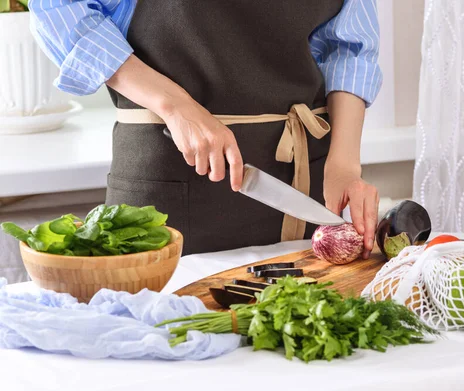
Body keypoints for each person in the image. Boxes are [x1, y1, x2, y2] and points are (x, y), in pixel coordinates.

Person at [28, 0, 383, 258]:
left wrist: (345, 164)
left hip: (305, 193)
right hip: (167, 181)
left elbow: (350, 49)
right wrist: (174, 104)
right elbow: (60, 9)